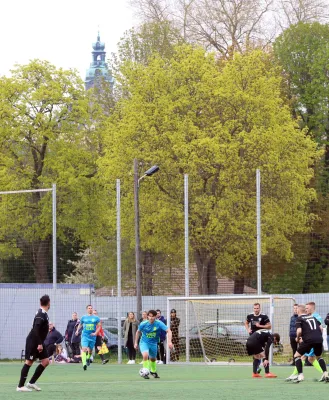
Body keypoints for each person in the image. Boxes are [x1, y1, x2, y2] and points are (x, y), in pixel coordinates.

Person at [17, 294, 51, 392]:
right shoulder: (40, 314)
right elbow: (36, 330)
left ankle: (31, 383)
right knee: (29, 362)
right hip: (34, 341)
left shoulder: (43, 313)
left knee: (45, 361)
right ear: (48, 303)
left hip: (39, 341)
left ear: (40, 303)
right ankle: (20, 386)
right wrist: (39, 344)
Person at [286, 302, 325, 381]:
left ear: (311, 308)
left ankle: (297, 374)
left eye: (307, 308)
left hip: (310, 340)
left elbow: (318, 329)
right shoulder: (310, 316)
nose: (306, 310)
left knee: (302, 356)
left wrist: (302, 337)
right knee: (310, 358)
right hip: (316, 340)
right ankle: (324, 373)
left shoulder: (315, 316)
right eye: (305, 308)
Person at [134, 309, 173, 379]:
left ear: (155, 317)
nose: (151, 318)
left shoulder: (159, 323)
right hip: (144, 342)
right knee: (145, 355)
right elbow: (138, 332)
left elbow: (169, 331)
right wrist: (135, 342)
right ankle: (145, 372)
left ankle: (153, 371)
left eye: (153, 316)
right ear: (147, 316)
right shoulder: (143, 324)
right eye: (149, 316)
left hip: (154, 343)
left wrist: (169, 342)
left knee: (153, 359)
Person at [245, 303, 271, 378]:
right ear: (253, 309)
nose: (256, 310)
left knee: (262, 354)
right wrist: (248, 329)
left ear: (260, 308)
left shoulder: (264, 316)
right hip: (253, 338)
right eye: (255, 308)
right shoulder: (250, 316)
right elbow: (246, 323)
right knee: (257, 355)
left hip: (261, 338)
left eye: (257, 308)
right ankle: (259, 371)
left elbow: (269, 326)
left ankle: (262, 371)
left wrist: (260, 326)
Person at [75, 304, 101, 371]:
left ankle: (88, 358)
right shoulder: (84, 317)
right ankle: (84, 364)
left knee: (90, 351)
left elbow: (99, 327)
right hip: (85, 335)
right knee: (84, 349)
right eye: (89, 308)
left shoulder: (96, 318)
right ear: (87, 309)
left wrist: (95, 333)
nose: (90, 309)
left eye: (91, 308)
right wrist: (77, 330)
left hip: (92, 336)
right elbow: (80, 324)